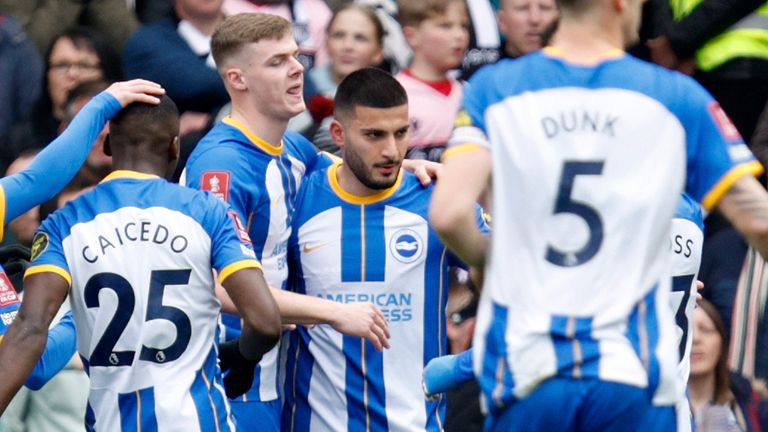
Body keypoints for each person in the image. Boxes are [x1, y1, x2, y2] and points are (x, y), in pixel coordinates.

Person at [429, 0, 768, 430]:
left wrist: (497, 264)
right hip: (632, 375)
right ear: (620, 3)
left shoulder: (494, 88)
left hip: (529, 370)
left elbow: (450, 214)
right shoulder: (674, 95)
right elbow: (758, 220)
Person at [0, 92, 284, 430]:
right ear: (175, 147)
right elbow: (266, 323)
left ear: (107, 148)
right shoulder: (210, 211)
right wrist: (244, 355)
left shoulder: (64, 224)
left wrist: (94, 314)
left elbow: (30, 332)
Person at [182, 13, 393, 430]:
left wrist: (420, 172)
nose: (297, 68)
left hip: (280, 373)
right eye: (277, 62)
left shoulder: (293, 148)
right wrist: (334, 313)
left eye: (295, 56)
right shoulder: (220, 165)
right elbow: (220, 286)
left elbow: (355, 172)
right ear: (237, 79)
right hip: (229, 378)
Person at [281, 67, 486, 432]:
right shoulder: (297, 199)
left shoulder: (437, 202)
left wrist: (463, 365)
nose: (391, 150)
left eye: (401, 133)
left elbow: (523, 287)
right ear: (339, 134)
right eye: (374, 135)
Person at [1, 27, 121, 174]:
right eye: (62, 65)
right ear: (47, 76)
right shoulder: (18, 140)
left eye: (84, 66)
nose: (72, 74)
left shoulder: (125, 135)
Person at [396, 0, 469, 162]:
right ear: (412, 36)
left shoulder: (470, 94)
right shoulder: (392, 94)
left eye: (463, 26)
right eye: (445, 25)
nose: (460, 35)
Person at [307, 3, 385, 152]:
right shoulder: (299, 88)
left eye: (360, 38)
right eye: (339, 35)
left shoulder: (391, 98)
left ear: (378, 52)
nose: (348, 46)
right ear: (326, 42)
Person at [689, 299, 768, 431]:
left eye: (705, 329)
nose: (695, 339)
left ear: (722, 342)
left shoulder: (754, 405)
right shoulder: (654, 408)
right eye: (687, 331)